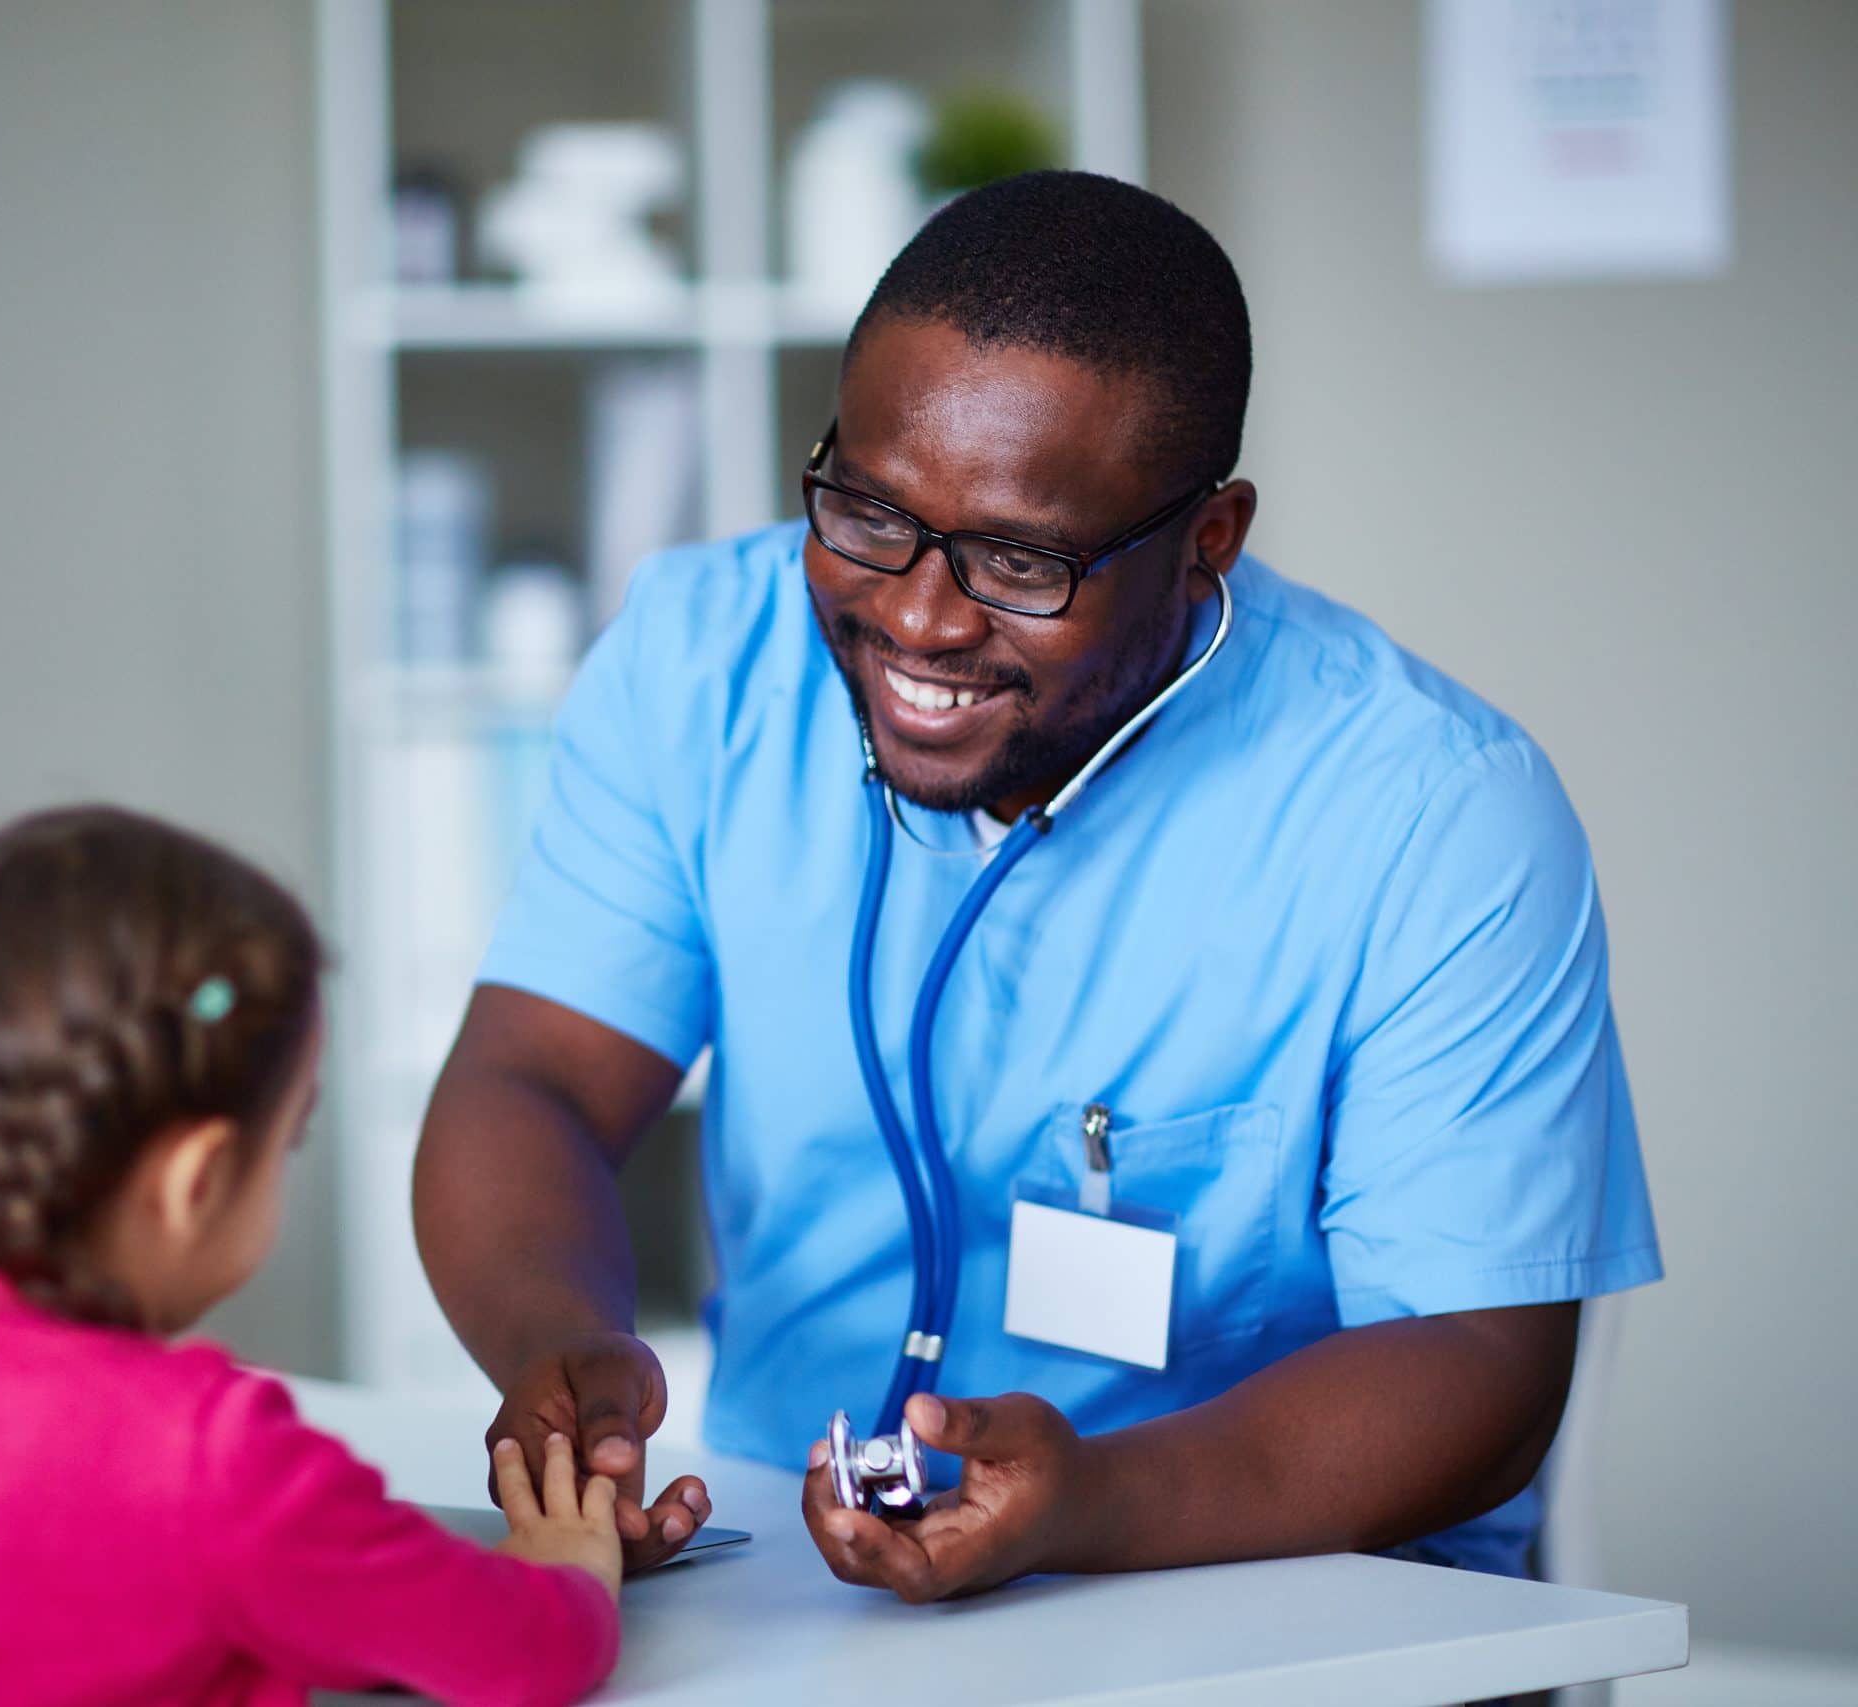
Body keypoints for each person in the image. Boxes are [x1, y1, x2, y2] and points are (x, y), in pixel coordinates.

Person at [415, 171, 1661, 1596]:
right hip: (800, 1588)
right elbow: (533, 1079)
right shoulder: (702, 661)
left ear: (1208, 544)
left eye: (1020, 559)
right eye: (867, 510)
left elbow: (1482, 1362)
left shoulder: (1435, 813)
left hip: (1290, 1602)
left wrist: (1097, 1503)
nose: (918, 615)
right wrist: (559, 1345)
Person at [0, 806, 623, 1704]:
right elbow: (525, 1653)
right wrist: (571, 1570)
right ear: (198, 1178)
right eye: (287, 1140)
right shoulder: (210, 1460)